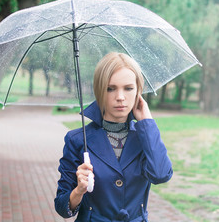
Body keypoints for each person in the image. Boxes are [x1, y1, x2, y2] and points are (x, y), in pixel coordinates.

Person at [54, 52, 173, 221]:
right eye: (110, 88)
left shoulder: (145, 137)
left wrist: (147, 122)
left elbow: (161, 175)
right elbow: (62, 208)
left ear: (138, 91)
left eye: (128, 88)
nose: (120, 97)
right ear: (99, 90)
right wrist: (78, 190)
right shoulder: (78, 140)